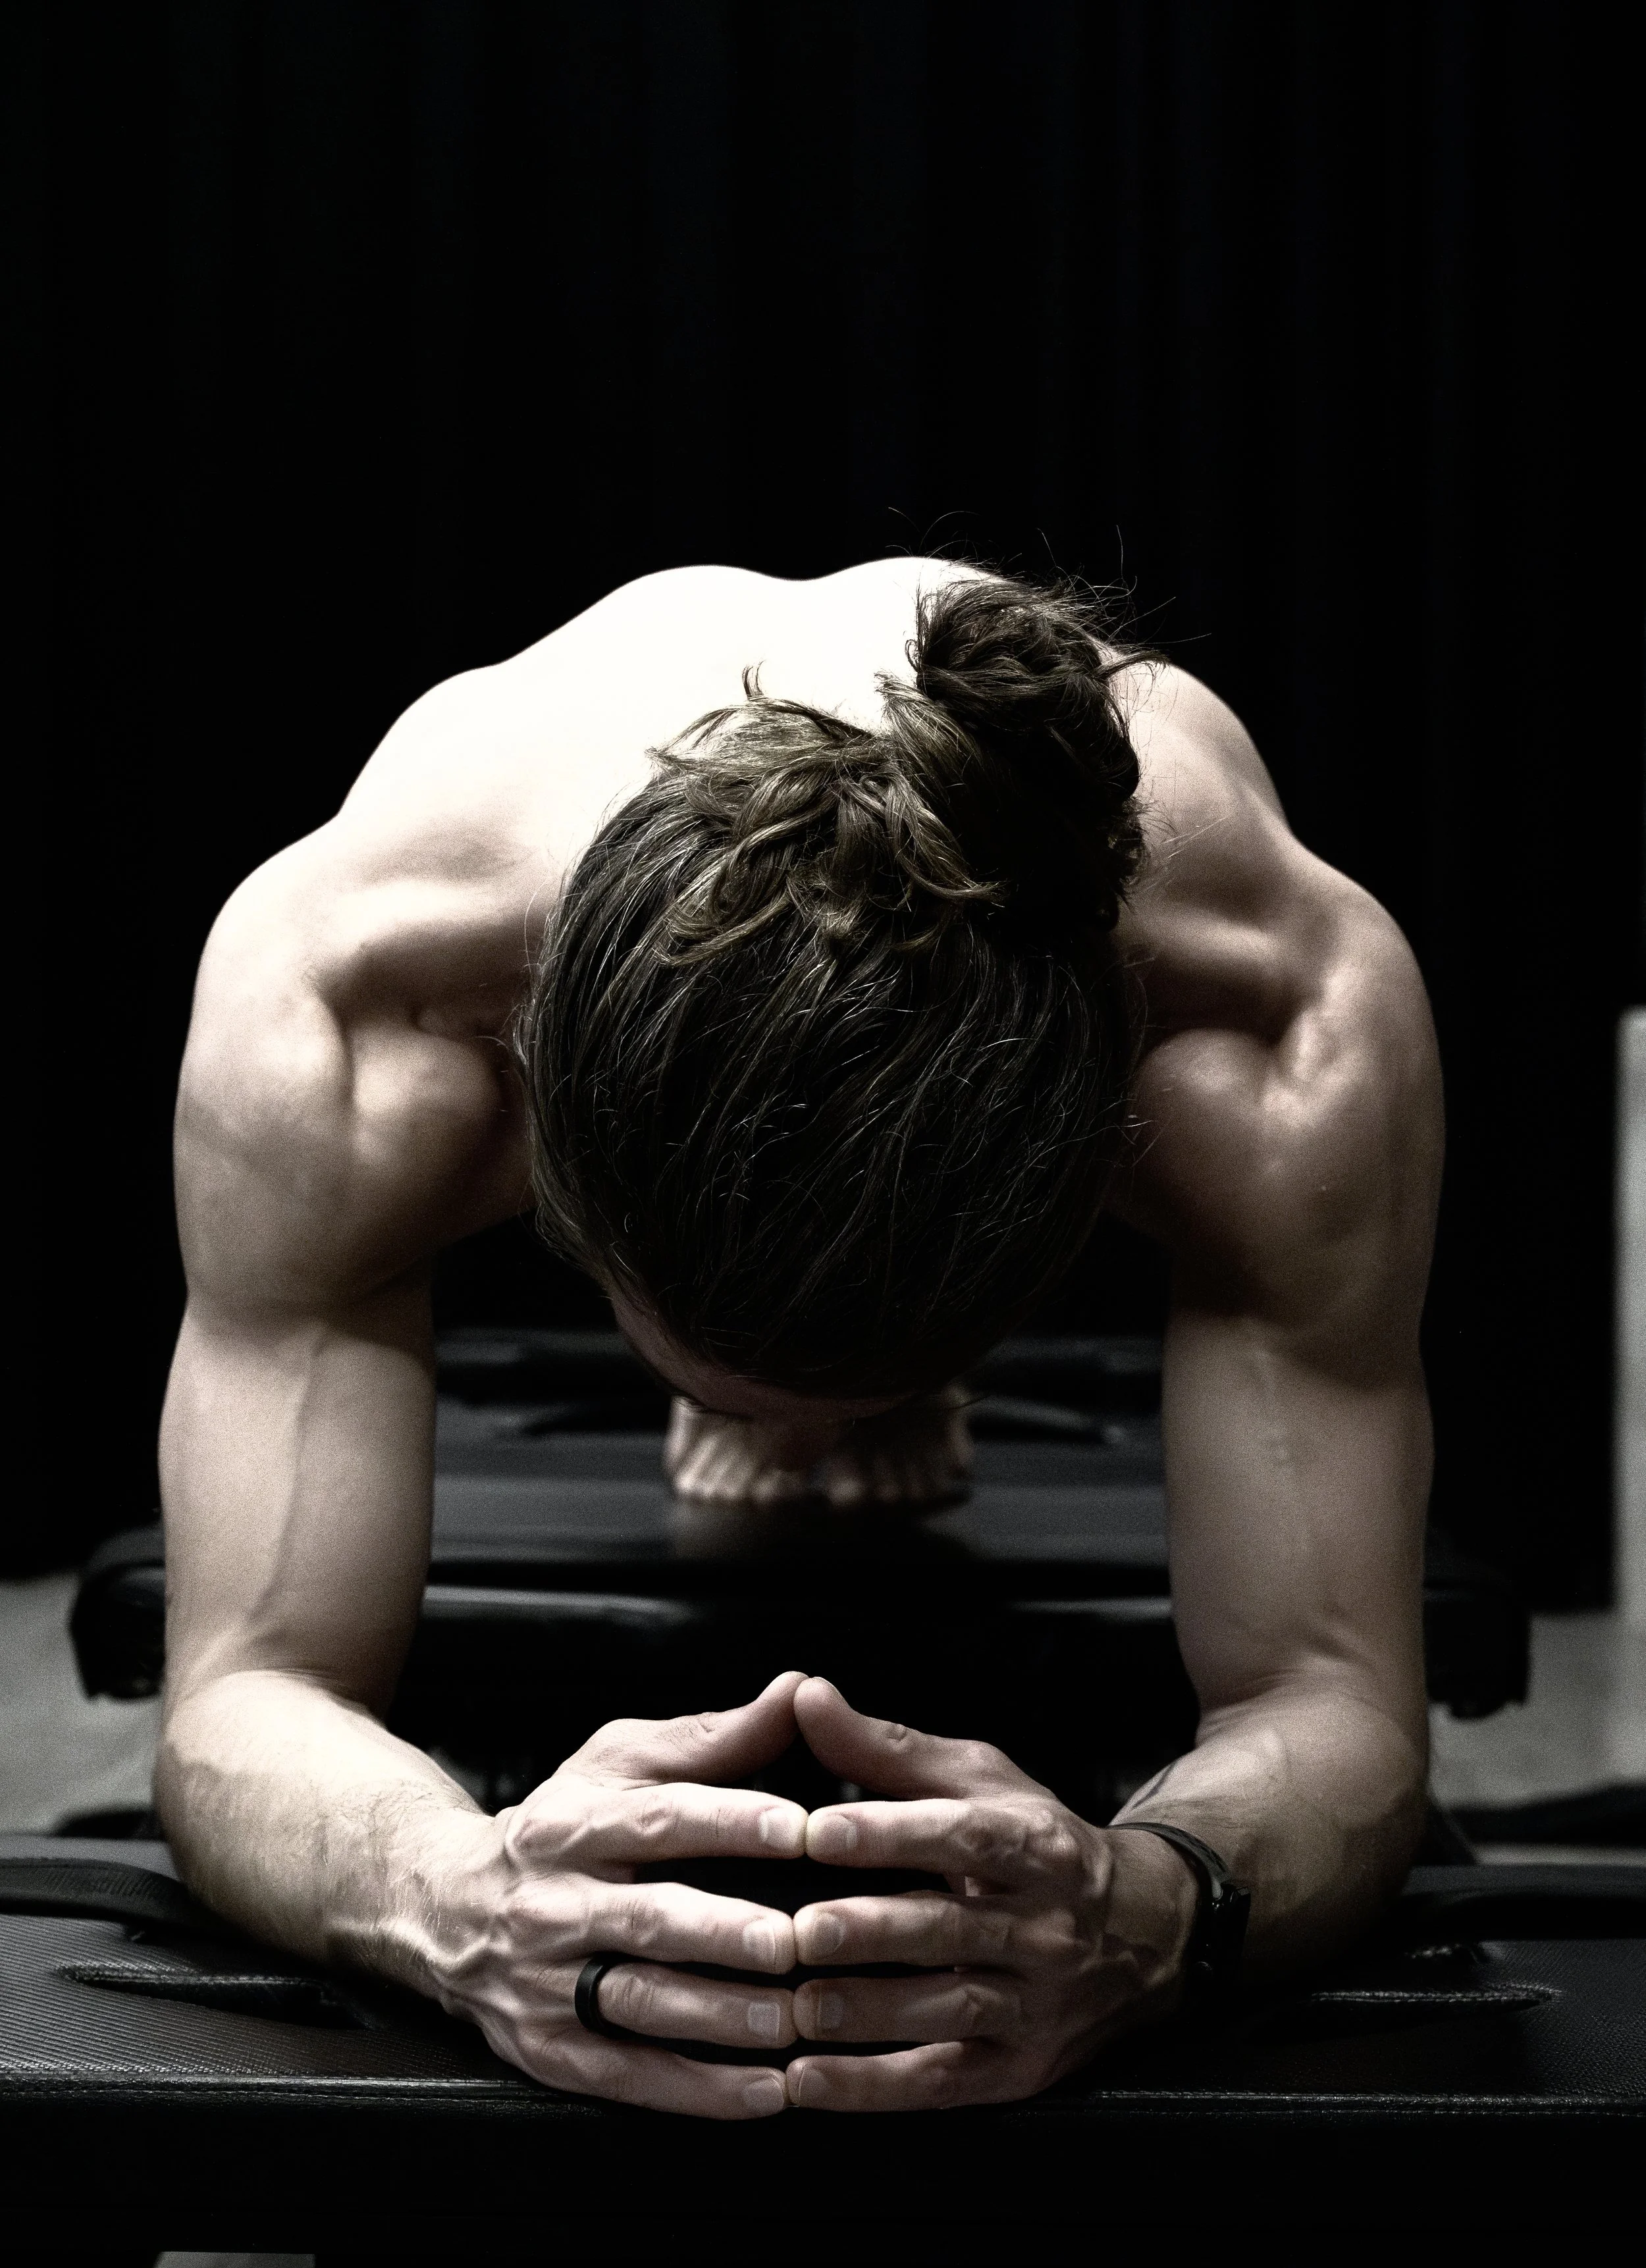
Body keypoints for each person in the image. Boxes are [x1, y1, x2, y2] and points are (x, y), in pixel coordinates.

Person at [157, 559, 1441, 2119]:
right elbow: (241, 1690)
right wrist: (444, 1894)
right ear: (536, 1147)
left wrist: (1160, 1909)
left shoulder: (1272, 1021)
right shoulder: (359, 1005)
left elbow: (1334, 1695)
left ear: (1098, 1157)